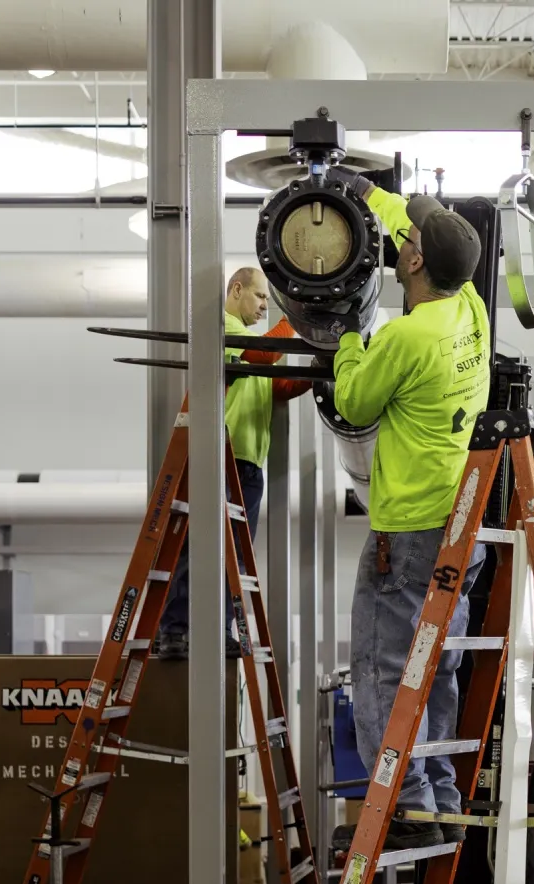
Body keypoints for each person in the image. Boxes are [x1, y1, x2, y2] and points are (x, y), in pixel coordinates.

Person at [326, 172, 490, 847]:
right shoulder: (470, 305)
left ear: (415, 261)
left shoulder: (406, 337)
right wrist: (373, 197)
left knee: (381, 667)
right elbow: (413, 224)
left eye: (409, 240)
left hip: (410, 530)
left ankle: (408, 810)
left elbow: (354, 404)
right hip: (463, 523)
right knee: (440, 665)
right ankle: (439, 795)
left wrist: (346, 337)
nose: (403, 241)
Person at [157, 267, 309, 660]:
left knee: (235, 557)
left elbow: (279, 386)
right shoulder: (222, 331)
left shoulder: (250, 344)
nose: (263, 307)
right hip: (217, 458)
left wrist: (320, 375)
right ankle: (175, 630)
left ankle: (219, 630)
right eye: (260, 297)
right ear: (236, 290)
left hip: (247, 463)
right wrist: (293, 317)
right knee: (197, 548)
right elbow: (265, 353)